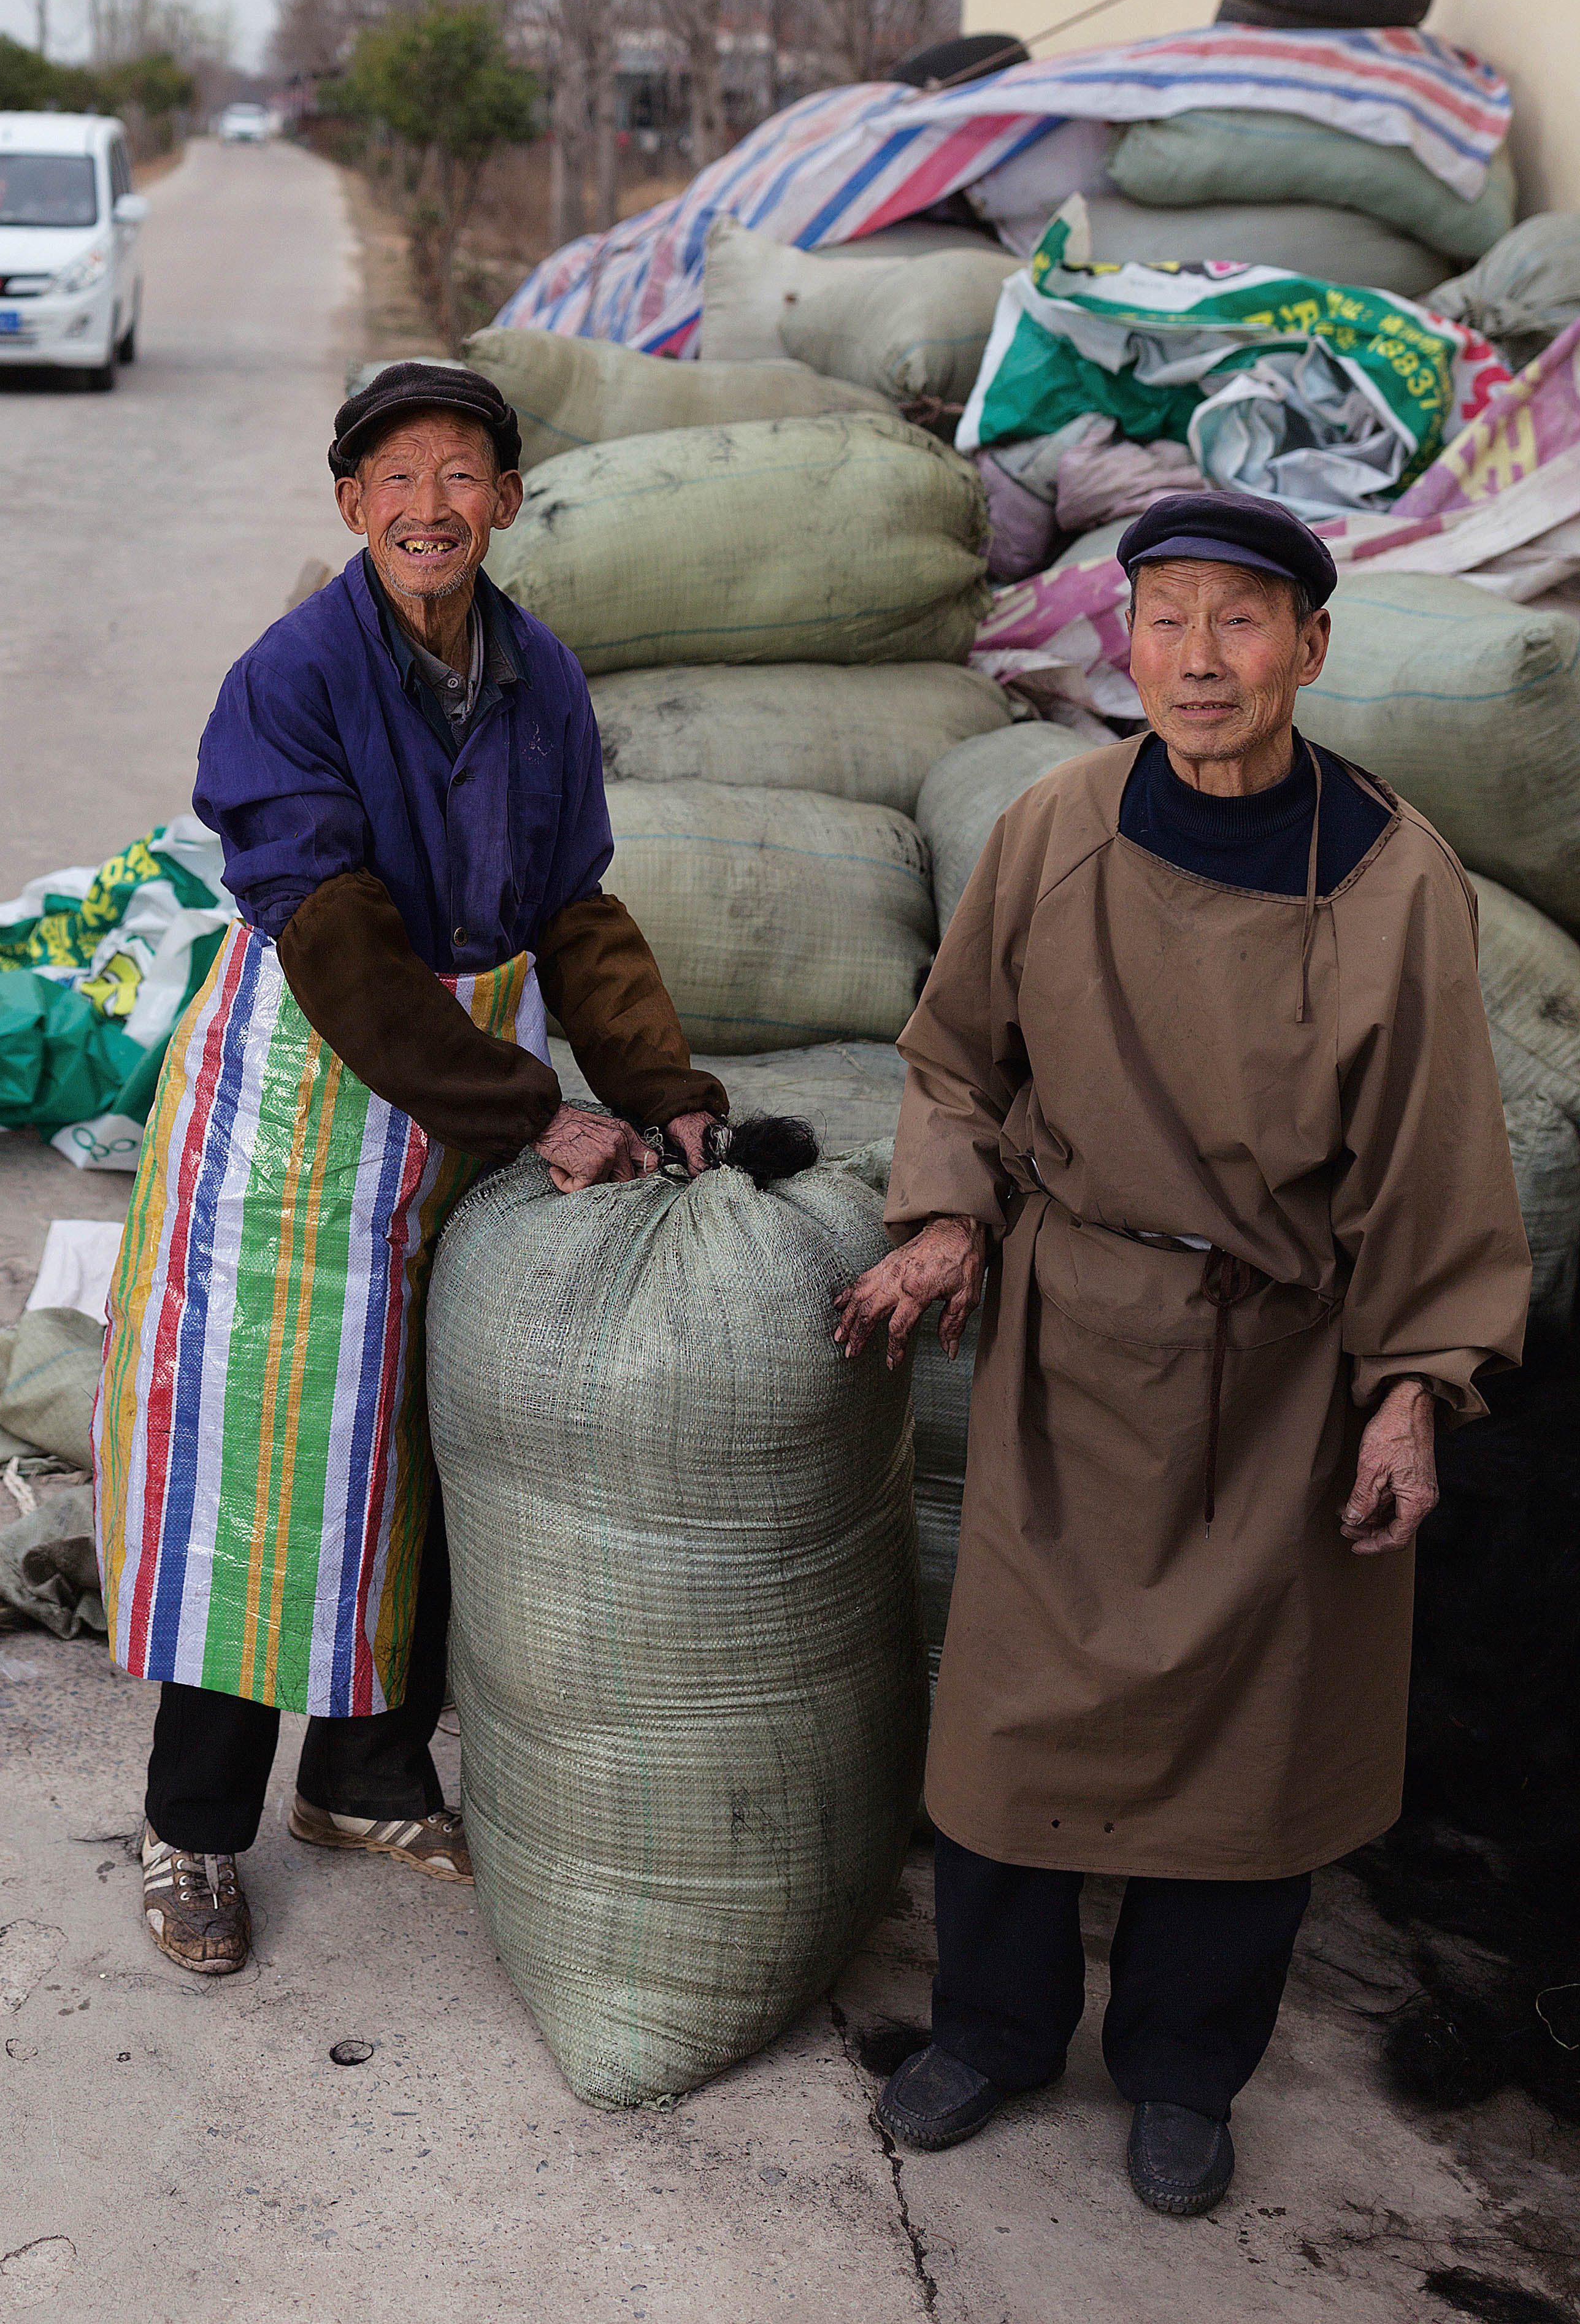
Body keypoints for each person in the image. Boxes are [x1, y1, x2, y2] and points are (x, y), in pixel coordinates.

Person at [836, 491, 1532, 2218]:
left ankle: (1182, 2072)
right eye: (1165, 619)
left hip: (1281, 1364)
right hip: (1072, 1346)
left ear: (1309, 647)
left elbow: (1442, 1170)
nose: (1198, 659)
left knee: (1255, 1759)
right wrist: (947, 1220)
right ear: (1122, 641)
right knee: (1014, 1721)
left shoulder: (1393, 883)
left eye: (1240, 621)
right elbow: (953, 1065)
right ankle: (995, 2031)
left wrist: (1414, 1392)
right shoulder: (1055, 828)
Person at [94, 360, 726, 1979]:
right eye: (397, 478)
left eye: (463, 476)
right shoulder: (292, 678)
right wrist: (537, 1111)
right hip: (303, 1106)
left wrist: (661, 1085)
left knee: (417, 1455)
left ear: (506, 504)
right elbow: (343, 945)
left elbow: (573, 909)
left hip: (449, 1111)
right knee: (267, 1471)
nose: (430, 506)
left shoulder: (545, 680)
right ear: (351, 505)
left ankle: (364, 1776)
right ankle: (194, 1830)